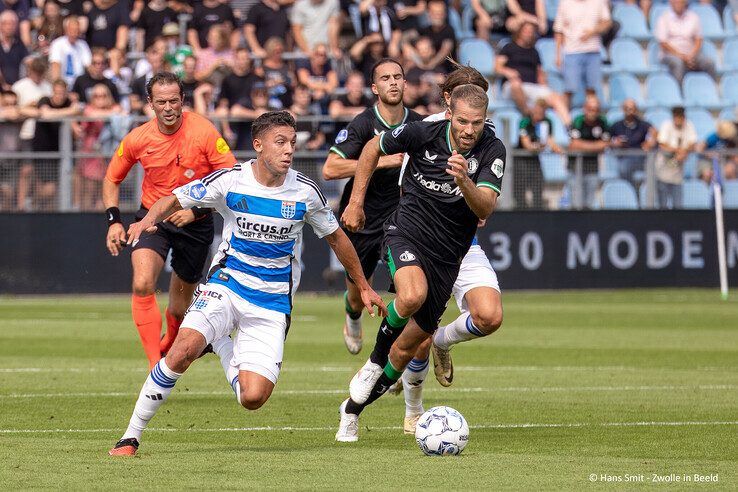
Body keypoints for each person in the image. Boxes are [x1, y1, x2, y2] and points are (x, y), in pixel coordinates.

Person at [108, 110, 386, 456]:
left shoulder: (305, 192)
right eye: (280, 142)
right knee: (181, 351)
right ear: (258, 145)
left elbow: (337, 239)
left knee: (252, 398)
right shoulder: (230, 180)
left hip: (271, 301)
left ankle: (222, 344)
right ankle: (130, 437)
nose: (288, 150)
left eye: (292, 143)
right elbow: (174, 198)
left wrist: (363, 286)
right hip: (227, 284)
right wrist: (147, 220)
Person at [336, 83, 505, 442]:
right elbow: (371, 147)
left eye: (476, 123)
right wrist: (356, 201)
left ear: (485, 120)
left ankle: (351, 410)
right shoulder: (422, 130)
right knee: (411, 295)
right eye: (462, 121)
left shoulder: (492, 149)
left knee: (407, 349)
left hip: (452, 253)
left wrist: (463, 180)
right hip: (407, 232)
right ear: (449, 113)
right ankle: (371, 363)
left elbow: (486, 207)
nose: (468, 130)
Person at [390, 62, 505, 434]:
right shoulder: (425, 133)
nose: (473, 125)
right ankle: (414, 411)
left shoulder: (483, 136)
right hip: (423, 239)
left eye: (480, 114)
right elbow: (406, 185)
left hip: (462, 244)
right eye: (465, 113)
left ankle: (444, 340)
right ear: (449, 101)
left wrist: (472, 192)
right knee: (417, 332)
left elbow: (484, 200)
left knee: (489, 317)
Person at [102, 72, 237, 368]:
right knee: (141, 282)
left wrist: (197, 211)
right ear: (150, 103)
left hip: (196, 223)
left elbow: (232, 179)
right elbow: (112, 179)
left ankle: (169, 342)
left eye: (173, 101)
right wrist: (113, 221)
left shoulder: (203, 131)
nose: (168, 107)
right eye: (161, 101)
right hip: (153, 220)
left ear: (182, 101)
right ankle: (155, 366)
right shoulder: (138, 138)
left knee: (178, 309)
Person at [322, 58, 423, 354]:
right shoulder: (364, 123)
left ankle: (397, 354)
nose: (393, 82)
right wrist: (383, 159)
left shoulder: (418, 123)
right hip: (363, 218)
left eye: (398, 77)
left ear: (405, 83)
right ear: (375, 87)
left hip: (403, 219)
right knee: (357, 294)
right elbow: (330, 168)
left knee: (410, 289)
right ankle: (352, 317)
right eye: (386, 78)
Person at [496, 21, 570, 125]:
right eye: (526, 31)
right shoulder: (509, 47)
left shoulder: (534, 51)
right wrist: (508, 72)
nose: (529, 33)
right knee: (516, 85)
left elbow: (540, 73)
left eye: (531, 31)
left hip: (532, 87)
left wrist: (544, 86)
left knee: (556, 97)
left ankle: (569, 128)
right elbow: (497, 67)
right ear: (520, 32)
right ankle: (528, 115)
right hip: (512, 87)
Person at [553, 0, 611, 107]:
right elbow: (558, 30)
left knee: (591, 89)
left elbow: (607, 22)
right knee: (569, 90)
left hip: (593, 51)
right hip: (571, 51)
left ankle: (592, 121)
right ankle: (565, 119)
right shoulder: (565, 3)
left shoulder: (598, 2)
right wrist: (557, 54)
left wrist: (593, 31)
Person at [655, 0, 716, 83]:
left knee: (709, 63)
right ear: (671, 3)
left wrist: (691, 55)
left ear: (685, 3)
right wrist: (681, 56)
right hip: (671, 54)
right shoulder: (664, 18)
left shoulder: (694, 17)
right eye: (676, 2)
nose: (678, 4)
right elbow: (663, 43)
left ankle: (711, 90)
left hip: (691, 54)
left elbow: (698, 39)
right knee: (678, 63)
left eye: (680, 2)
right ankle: (679, 93)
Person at [515, 98, 561, 209]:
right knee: (520, 189)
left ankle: (537, 210)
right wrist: (535, 147)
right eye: (536, 112)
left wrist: (559, 150)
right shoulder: (525, 121)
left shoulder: (547, 122)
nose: (538, 115)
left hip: (534, 159)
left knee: (538, 185)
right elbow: (526, 143)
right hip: (521, 159)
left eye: (541, 112)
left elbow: (549, 140)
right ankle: (521, 209)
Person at [567, 95, 610, 208]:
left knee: (589, 202)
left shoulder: (602, 122)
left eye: (596, 110)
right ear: (585, 108)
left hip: (592, 165)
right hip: (575, 166)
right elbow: (574, 145)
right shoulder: (578, 120)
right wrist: (595, 146)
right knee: (576, 202)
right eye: (590, 109)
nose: (593, 112)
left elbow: (605, 144)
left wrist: (584, 146)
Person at [655, 106, 696, 209]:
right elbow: (662, 144)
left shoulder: (689, 125)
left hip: (678, 174)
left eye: (681, 117)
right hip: (663, 171)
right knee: (662, 206)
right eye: (676, 117)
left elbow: (693, 143)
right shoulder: (666, 125)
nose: (679, 119)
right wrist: (678, 151)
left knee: (678, 206)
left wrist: (684, 152)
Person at [609, 98, 656, 188]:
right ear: (623, 109)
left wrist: (650, 142)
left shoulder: (642, 124)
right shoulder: (617, 125)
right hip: (623, 157)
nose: (630, 111)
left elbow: (654, 132)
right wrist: (615, 143)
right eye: (627, 108)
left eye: (632, 109)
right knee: (623, 167)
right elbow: (607, 140)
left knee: (653, 166)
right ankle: (630, 190)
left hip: (639, 158)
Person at [48, 16, 91, 87]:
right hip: (63, 82)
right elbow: (55, 65)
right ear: (66, 30)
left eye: (77, 31)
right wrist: (59, 86)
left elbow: (88, 65)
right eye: (72, 30)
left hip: (79, 84)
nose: (75, 34)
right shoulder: (57, 43)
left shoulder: (83, 45)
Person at [0, 10, 27, 89]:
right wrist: (3, 84)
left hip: (16, 86)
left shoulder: (19, 43)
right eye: (6, 23)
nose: (9, 27)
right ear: (0, 25)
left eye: (13, 24)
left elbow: (27, 61)